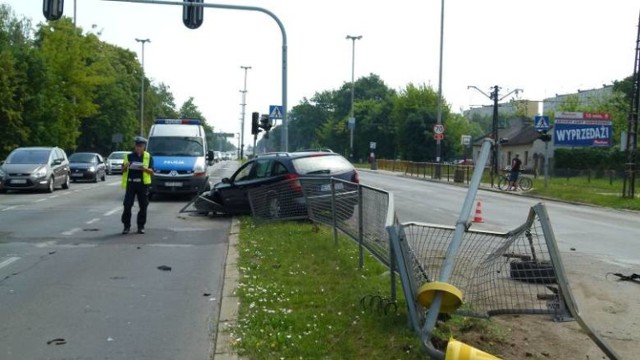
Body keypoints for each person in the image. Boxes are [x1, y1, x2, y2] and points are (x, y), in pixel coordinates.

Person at [121, 136, 154, 234]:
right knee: (127, 205)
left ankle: (141, 226)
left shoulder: (148, 157)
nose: (138, 148)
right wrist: (126, 166)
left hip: (142, 184)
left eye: (140, 146)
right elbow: (122, 170)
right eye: (136, 146)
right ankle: (126, 226)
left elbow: (152, 172)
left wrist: (144, 169)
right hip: (131, 184)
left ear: (144, 146)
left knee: (143, 206)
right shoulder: (129, 156)